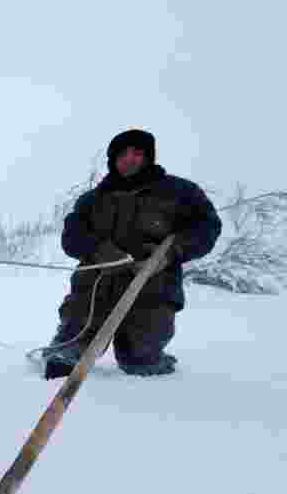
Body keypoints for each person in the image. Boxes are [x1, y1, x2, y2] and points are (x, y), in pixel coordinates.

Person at [43, 128, 222, 379]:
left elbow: (208, 227)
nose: (130, 158)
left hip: (152, 289)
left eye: (137, 153)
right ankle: (69, 349)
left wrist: (169, 254)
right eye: (123, 154)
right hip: (94, 290)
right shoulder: (91, 200)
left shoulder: (181, 192)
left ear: (149, 156)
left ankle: (149, 356)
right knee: (61, 365)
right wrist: (99, 251)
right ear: (113, 159)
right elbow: (71, 238)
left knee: (141, 366)